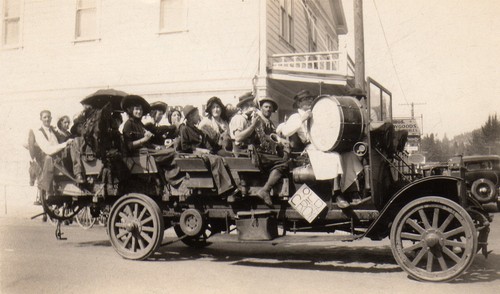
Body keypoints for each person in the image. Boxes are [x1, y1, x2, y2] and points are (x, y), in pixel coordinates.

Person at [229, 92, 288, 206]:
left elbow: (266, 136)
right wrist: (253, 126)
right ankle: (265, 190)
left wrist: (279, 141)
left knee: (283, 158)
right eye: (250, 105)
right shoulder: (244, 119)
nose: (253, 108)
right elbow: (241, 138)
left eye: (253, 105)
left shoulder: (259, 120)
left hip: (257, 151)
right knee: (283, 164)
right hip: (251, 152)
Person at [121, 95, 183, 186]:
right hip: (139, 153)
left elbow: (147, 141)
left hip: (146, 150)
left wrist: (155, 146)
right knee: (173, 153)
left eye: (141, 110)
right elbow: (129, 145)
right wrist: (144, 139)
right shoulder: (128, 124)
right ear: (131, 110)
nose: (139, 112)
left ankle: (168, 178)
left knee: (169, 150)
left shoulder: (139, 123)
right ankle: (173, 180)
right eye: (136, 109)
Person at [178, 105, 237, 197]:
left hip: (202, 153)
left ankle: (232, 185)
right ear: (190, 117)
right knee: (216, 160)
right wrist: (201, 150)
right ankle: (225, 189)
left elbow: (207, 143)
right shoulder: (184, 129)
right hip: (192, 155)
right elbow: (185, 146)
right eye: (196, 115)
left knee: (223, 158)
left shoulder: (197, 130)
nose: (198, 117)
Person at [34, 110, 86, 195]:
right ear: (41, 119)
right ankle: (78, 172)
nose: (47, 119)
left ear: (51, 118)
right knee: (73, 144)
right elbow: (48, 150)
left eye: (48, 117)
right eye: (44, 117)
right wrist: (66, 144)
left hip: (59, 154)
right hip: (52, 157)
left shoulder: (52, 130)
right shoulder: (39, 133)